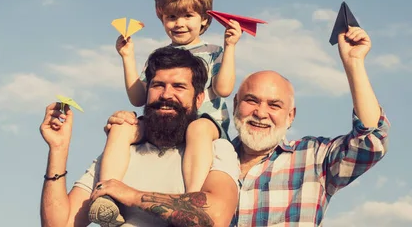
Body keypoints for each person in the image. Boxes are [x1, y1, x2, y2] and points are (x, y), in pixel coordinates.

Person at [107, 26, 390, 226]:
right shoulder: (206, 156)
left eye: (274, 105)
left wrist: (353, 62)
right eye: (251, 101)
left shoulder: (314, 159)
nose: (260, 113)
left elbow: (370, 143)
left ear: (291, 116)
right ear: (234, 106)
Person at [91, 0, 243, 225]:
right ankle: (106, 195)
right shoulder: (158, 56)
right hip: (163, 123)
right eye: (171, 17)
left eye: (187, 16)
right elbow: (138, 98)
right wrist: (128, 57)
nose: (179, 23)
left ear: (205, 19)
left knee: (197, 128)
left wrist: (230, 47)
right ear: (161, 18)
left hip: (203, 124)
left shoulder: (212, 52)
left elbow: (224, 88)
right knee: (121, 126)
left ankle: (187, 200)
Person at [39, 46, 240, 227]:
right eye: (158, 85)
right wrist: (59, 149)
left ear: (198, 99)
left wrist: (132, 196)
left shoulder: (215, 150)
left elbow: (216, 218)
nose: (166, 94)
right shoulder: (120, 153)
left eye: (179, 87)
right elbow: (60, 224)